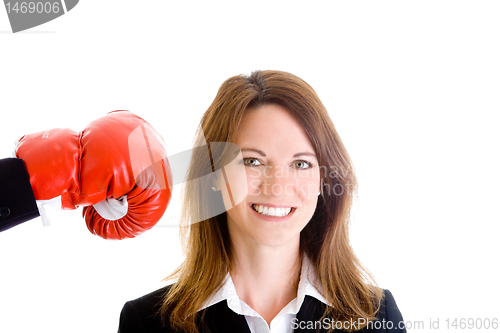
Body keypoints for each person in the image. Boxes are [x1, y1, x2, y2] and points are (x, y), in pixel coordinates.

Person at [118, 70, 406, 332]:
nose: (277, 185)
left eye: (301, 164)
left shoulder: (377, 317)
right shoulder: (148, 324)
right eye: (252, 161)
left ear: (324, 180)